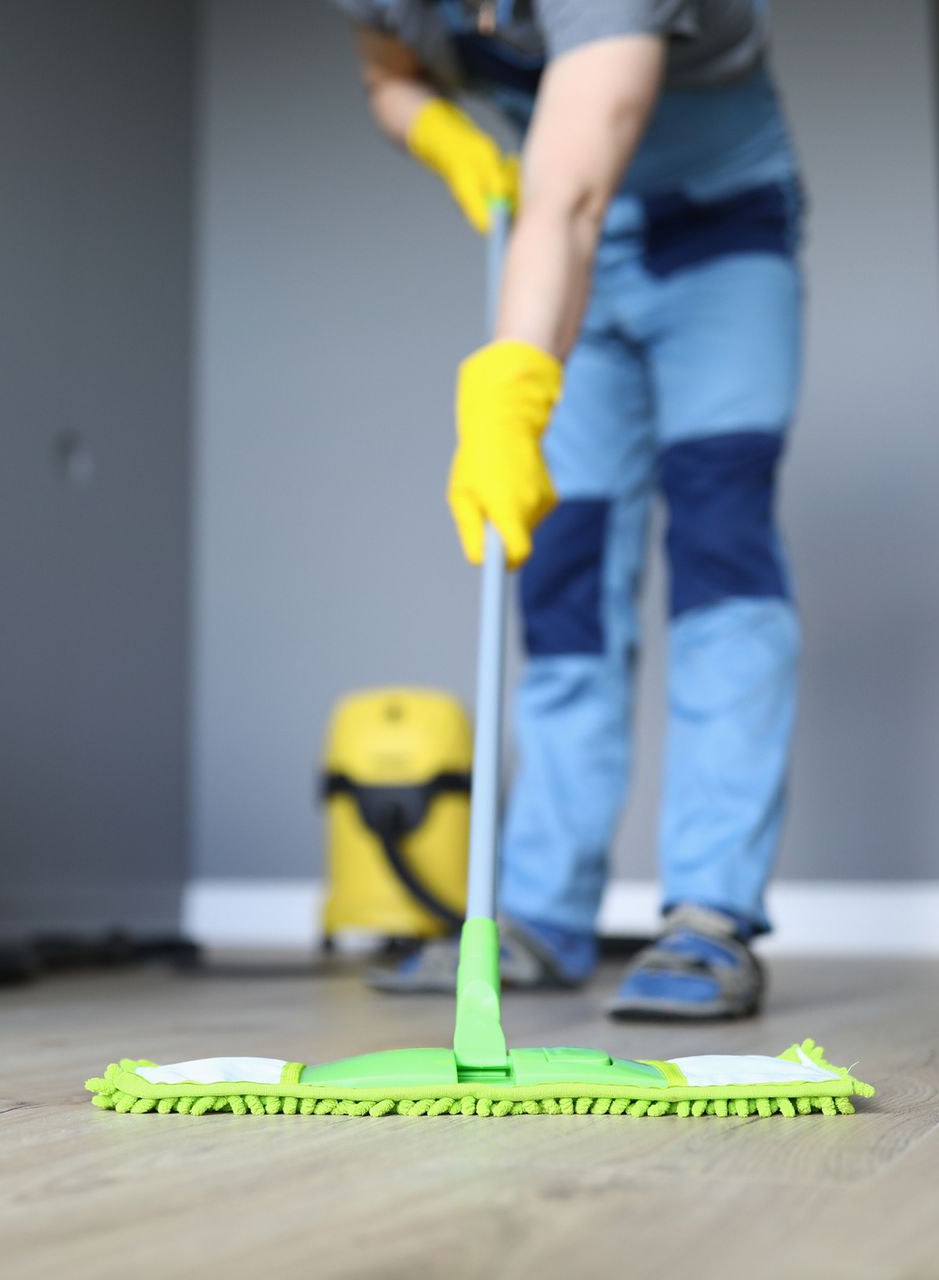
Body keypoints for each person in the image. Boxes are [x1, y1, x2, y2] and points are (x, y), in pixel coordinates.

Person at [335, 0, 803, 1019]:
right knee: (563, 578)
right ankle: (540, 916)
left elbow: (572, 201)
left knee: (721, 550)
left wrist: (510, 392)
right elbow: (388, 73)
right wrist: (441, 134)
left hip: (713, 232)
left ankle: (711, 915)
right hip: (559, 262)